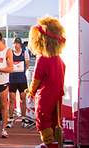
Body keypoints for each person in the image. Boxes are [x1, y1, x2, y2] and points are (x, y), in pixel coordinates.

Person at [27, 17, 66, 148]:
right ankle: (55, 142)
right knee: (55, 119)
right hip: (58, 92)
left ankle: (49, 143)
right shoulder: (59, 58)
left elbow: (36, 78)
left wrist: (31, 91)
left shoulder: (43, 58)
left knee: (42, 118)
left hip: (45, 94)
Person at [9, 38, 30, 128]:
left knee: (23, 99)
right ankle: (10, 120)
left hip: (22, 80)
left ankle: (24, 119)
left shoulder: (24, 52)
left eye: (17, 43)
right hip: (12, 79)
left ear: (20, 45)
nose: (15, 45)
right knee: (12, 99)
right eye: (14, 43)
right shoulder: (10, 52)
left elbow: (27, 65)